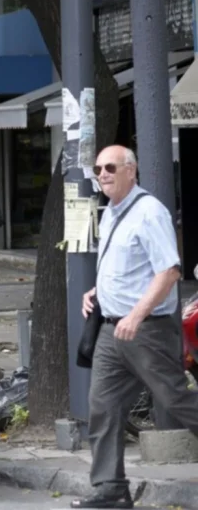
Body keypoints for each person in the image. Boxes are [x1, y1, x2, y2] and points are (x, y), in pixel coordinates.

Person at [72, 145, 198, 509]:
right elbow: (126, 264)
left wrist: (136, 314)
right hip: (112, 332)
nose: (103, 173)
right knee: (102, 406)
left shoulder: (149, 212)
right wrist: (97, 291)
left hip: (146, 330)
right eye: (98, 168)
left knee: (177, 400)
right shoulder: (112, 212)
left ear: (132, 170)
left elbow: (169, 271)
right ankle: (110, 489)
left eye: (110, 166)